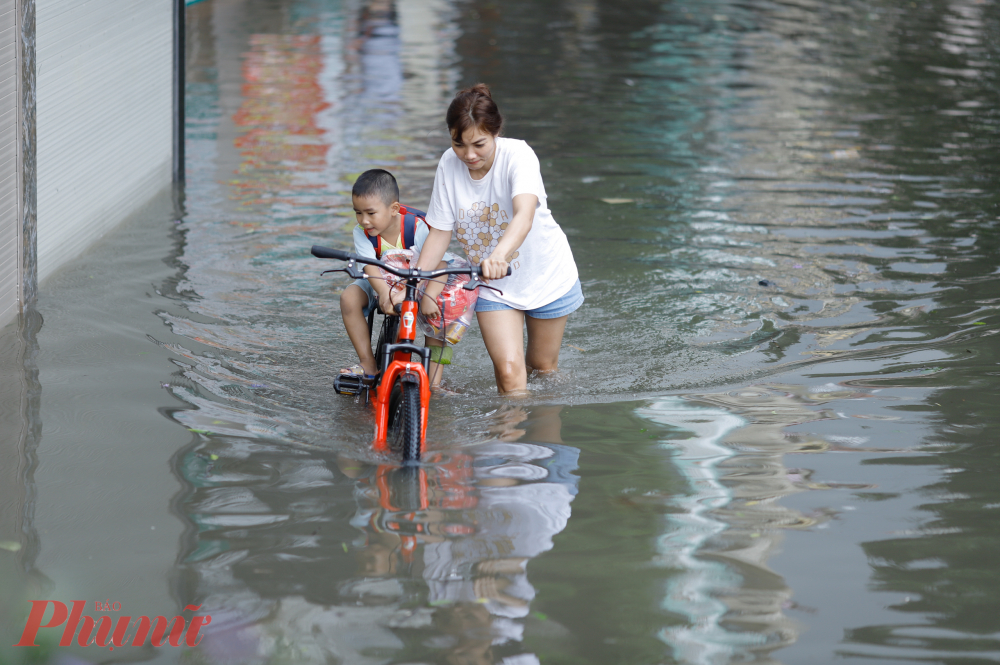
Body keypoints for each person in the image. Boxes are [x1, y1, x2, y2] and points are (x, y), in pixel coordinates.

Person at [413, 84, 583, 393]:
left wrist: (498, 255)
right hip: (493, 283)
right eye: (458, 144)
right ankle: (510, 438)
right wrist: (417, 278)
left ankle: (537, 438)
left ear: (496, 132)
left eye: (479, 144)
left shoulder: (519, 156)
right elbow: (440, 231)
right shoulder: (448, 166)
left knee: (542, 369)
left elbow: (524, 215)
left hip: (545, 273)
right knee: (508, 373)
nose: (469, 155)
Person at [340, 169, 447, 379]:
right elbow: (369, 267)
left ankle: (434, 379)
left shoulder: (417, 227)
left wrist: (422, 294)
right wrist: (385, 294)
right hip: (380, 280)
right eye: (358, 212)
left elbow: (435, 264)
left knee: (440, 308)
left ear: (394, 209)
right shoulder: (361, 233)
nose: (364, 220)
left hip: (417, 281)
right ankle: (368, 362)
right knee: (348, 298)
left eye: (371, 213)